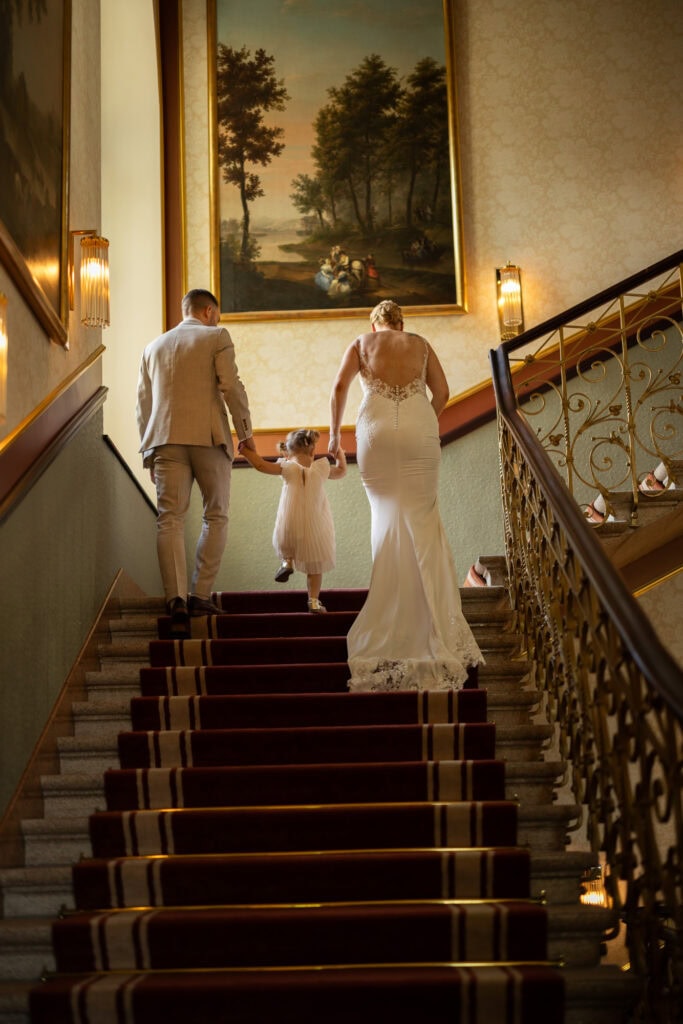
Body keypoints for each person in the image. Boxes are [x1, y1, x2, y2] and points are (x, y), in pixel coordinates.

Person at [328, 299, 484, 691]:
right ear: (401, 322)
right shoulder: (421, 343)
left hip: (375, 431)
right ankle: (431, 623)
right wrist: (423, 417)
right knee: (424, 520)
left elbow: (338, 388)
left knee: (385, 521)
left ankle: (389, 620)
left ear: (375, 323)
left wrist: (333, 436)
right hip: (419, 428)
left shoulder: (361, 343)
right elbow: (443, 392)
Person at [136, 288, 255, 637]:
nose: (216, 320)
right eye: (216, 314)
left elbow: (143, 404)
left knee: (169, 518)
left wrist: (148, 448)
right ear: (207, 311)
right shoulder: (217, 336)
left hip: (164, 440)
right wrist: (245, 432)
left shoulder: (152, 347)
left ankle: (174, 599)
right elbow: (231, 386)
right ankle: (200, 594)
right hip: (208, 436)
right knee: (216, 514)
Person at [239, 429, 346, 613]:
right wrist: (340, 453)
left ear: (287, 452)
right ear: (312, 451)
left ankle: (287, 562)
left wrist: (246, 451)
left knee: (288, 544)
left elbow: (261, 465)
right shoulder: (321, 469)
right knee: (315, 565)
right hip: (315, 526)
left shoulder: (287, 467)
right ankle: (313, 601)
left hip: (290, 522)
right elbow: (342, 471)